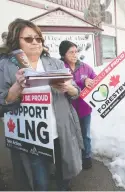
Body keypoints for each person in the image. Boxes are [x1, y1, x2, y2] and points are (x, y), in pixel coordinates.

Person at [0, 18, 83, 191]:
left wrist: (68, 88)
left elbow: (76, 92)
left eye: (38, 39)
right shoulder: (5, 66)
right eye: (29, 39)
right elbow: (3, 103)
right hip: (32, 137)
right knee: (39, 182)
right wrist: (16, 87)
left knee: (65, 173)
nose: (35, 43)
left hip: (60, 131)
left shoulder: (56, 63)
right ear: (16, 41)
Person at [59, 40, 96, 170]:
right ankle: (73, 160)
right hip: (67, 110)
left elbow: (97, 82)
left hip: (84, 108)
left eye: (76, 52)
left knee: (85, 134)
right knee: (70, 136)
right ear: (63, 54)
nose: (74, 55)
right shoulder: (59, 68)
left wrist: (89, 81)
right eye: (71, 52)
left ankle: (86, 157)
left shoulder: (86, 67)